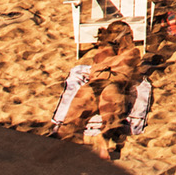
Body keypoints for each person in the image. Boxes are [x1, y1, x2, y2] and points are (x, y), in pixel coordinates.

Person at [55, 19, 142, 158]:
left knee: (72, 120)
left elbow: (96, 69)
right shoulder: (132, 52)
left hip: (94, 84)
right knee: (112, 119)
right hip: (114, 83)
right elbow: (129, 64)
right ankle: (106, 140)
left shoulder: (101, 53)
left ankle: (66, 140)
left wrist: (104, 63)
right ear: (126, 37)